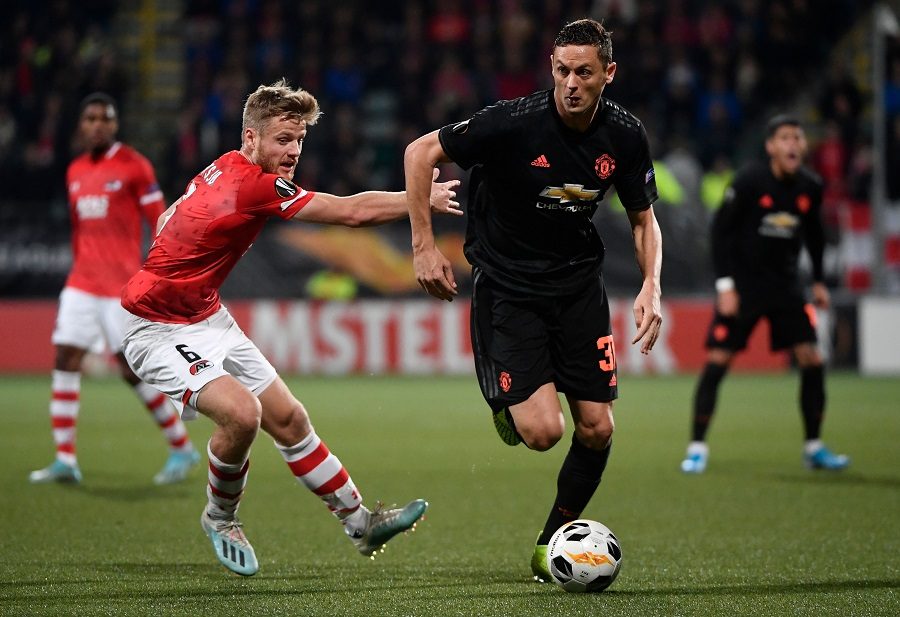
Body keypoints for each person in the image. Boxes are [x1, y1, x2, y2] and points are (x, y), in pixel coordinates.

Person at [120, 79, 460, 576]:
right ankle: (220, 517)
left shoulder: (223, 164)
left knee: (290, 419)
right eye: (283, 139)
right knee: (242, 415)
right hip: (155, 327)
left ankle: (361, 523)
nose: (294, 151)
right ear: (251, 137)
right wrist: (419, 198)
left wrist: (178, 265)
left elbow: (170, 215)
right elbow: (351, 212)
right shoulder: (254, 186)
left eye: (299, 140)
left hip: (205, 315)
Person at [404, 19, 662, 583]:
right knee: (543, 434)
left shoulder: (624, 135)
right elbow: (420, 153)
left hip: (578, 286)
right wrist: (423, 247)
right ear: (551, 67)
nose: (570, 83)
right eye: (562, 70)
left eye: (584, 73)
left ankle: (550, 544)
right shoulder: (511, 122)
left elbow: (643, 219)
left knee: (598, 428)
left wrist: (651, 285)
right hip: (509, 287)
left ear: (608, 74)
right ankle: (503, 399)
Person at [30, 93, 200, 486]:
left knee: (130, 369)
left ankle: (181, 447)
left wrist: (161, 273)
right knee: (65, 357)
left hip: (120, 288)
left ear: (115, 124)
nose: (97, 125)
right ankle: (65, 459)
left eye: (104, 118)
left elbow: (161, 222)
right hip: (81, 283)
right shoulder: (74, 170)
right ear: (81, 125)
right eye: (90, 118)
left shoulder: (134, 166)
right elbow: (79, 230)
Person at [680, 114, 849, 474]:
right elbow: (720, 232)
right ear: (771, 146)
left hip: (787, 286)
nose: (792, 144)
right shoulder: (749, 181)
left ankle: (814, 447)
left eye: (797, 138)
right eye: (784, 138)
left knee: (812, 359)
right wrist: (725, 286)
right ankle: (696, 448)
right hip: (744, 287)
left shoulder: (810, 186)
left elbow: (815, 236)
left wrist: (819, 281)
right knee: (718, 359)